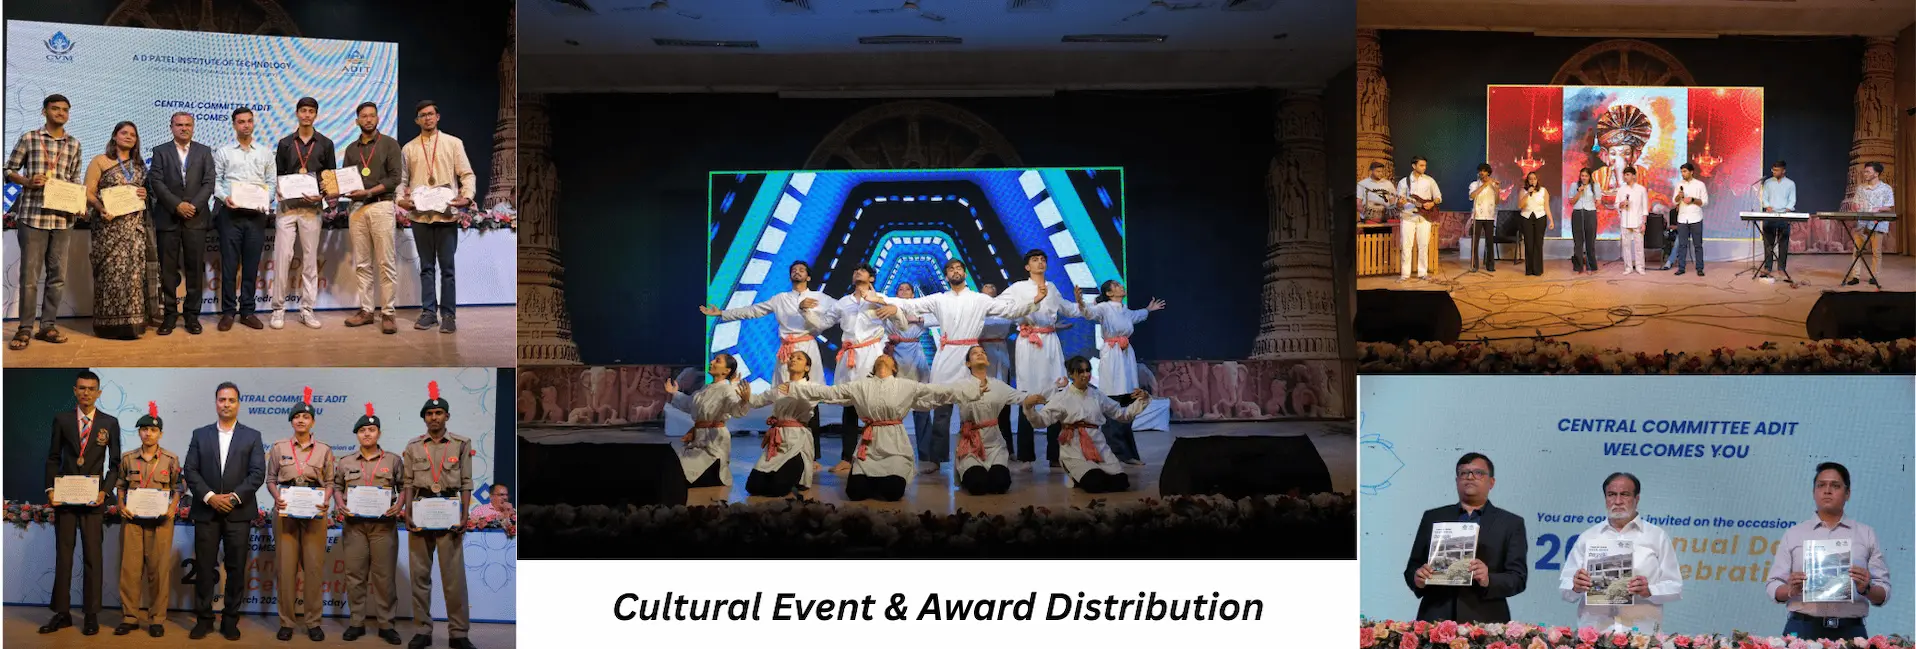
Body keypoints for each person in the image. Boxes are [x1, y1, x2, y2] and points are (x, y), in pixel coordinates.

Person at [867, 259, 1042, 475]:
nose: (955, 271)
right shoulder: (940, 299)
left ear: (964, 273)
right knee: (942, 408)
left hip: (970, 357)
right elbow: (912, 304)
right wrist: (882, 299)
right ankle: (936, 459)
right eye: (951, 269)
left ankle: (978, 453)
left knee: (975, 408)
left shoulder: (979, 299)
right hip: (947, 355)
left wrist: (1034, 301)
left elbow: (1008, 310)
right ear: (947, 275)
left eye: (959, 268)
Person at [784, 355, 983, 501]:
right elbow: (828, 393)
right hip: (870, 447)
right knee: (854, 493)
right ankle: (870, 478)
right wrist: (796, 387)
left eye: (887, 357)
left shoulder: (906, 385)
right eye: (879, 357)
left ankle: (885, 478)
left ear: (894, 367)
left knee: (892, 492)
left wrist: (972, 388)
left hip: (894, 446)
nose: (882, 357)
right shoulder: (860, 385)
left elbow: (939, 391)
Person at [1765, 462, 1891, 640]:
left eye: (1835, 485)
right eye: (1821, 485)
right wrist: (1790, 590)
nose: (1827, 490)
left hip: (1851, 632)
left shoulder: (1866, 534)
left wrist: (1866, 588)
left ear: (1847, 493)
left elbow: (1883, 593)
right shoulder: (1793, 534)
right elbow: (1773, 585)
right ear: (1814, 492)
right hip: (1802, 628)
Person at [1403, 452, 1529, 623]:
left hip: (1487, 622)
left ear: (1491, 482)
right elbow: (1412, 567)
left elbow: (1518, 578)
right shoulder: (1433, 517)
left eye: (1478, 473)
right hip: (1434, 619)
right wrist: (1418, 578)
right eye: (1464, 473)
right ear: (1457, 481)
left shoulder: (1511, 523)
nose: (1470, 477)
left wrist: (1488, 579)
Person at [40, 370, 120, 636]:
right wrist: (51, 488)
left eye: (91, 388)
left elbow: (115, 465)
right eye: (82, 388)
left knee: (92, 557)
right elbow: (53, 457)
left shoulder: (110, 423)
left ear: (99, 392)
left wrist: (105, 492)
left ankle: (91, 614)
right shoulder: (62, 420)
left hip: (93, 499)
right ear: (75, 391)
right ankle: (62, 613)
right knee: (63, 556)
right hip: (66, 497)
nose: (86, 393)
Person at [183, 381, 265, 641]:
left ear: (238, 404)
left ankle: (230, 620)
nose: (226, 404)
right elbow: (190, 470)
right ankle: (204, 620)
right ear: (216, 403)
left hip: (238, 513)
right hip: (206, 512)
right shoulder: (200, 434)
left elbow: (257, 473)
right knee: (204, 567)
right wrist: (209, 497)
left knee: (236, 568)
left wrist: (233, 498)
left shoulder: (252, 436)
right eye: (222, 400)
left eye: (231, 400)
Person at [801, 263, 902, 472]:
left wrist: (884, 303)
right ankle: (847, 458)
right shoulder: (843, 302)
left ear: (871, 278)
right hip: (850, 356)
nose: (857, 273)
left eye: (862, 271)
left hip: (872, 355)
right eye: (855, 271)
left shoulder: (880, 298)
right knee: (849, 407)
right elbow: (822, 323)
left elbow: (901, 324)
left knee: (874, 405)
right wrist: (805, 311)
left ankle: (878, 456)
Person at [404, 382, 478, 649]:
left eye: (438, 413)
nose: (433, 417)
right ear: (424, 418)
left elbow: (466, 482)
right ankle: (422, 630)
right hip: (421, 511)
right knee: (419, 576)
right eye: (429, 413)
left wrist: (464, 514)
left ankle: (458, 633)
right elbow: (408, 483)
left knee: (453, 578)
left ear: (447, 416)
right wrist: (407, 512)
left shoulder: (461, 443)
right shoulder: (413, 446)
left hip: (449, 513)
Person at [7, 95, 84, 350]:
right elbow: (8, 170)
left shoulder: (74, 144)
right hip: (33, 216)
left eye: (65, 110)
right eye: (55, 108)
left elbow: (75, 179)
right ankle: (24, 329)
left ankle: (48, 326)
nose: (61, 113)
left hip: (63, 219)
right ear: (44, 112)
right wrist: (27, 181)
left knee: (57, 277)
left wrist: (79, 202)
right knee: (29, 278)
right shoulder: (30, 138)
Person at [1559, 472, 1682, 633]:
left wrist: (1649, 591)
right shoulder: (1588, 537)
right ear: (1605, 498)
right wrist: (1576, 586)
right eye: (1611, 494)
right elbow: (1565, 590)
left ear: (1637, 499)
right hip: (1595, 635)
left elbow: (1675, 586)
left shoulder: (1657, 536)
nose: (1617, 501)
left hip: (1641, 635)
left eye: (1625, 494)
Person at [395, 100, 476, 334]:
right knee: (426, 267)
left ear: (438, 117)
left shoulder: (453, 143)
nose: (427, 118)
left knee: (447, 268)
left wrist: (467, 197)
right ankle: (429, 313)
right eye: (423, 115)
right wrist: (400, 199)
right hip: (420, 216)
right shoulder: (409, 148)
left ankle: (448, 315)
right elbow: (401, 180)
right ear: (417, 120)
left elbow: (467, 175)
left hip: (446, 215)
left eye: (431, 114)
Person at [1002, 249, 1082, 470]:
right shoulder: (1018, 288)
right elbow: (1000, 307)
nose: (1040, 263)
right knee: (1028, 395)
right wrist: (1031, 304)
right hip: (1028, 343)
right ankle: (1026, 456)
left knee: (1055, 395)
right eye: (1035, 260)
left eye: (1043, 260)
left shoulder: (1052, 288)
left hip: (1050, 343)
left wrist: (1081, 303)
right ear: (1027, 266)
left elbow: (1069, 309)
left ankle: (1055, 455)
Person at [334, 403, 407, 644]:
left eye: (372, 430)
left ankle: (386, 624)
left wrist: (400, 505)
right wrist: (339, 503)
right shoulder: (346, 462)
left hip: (383, 527)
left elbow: (404, 487)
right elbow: (336, 486)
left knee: (384, 577)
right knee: (355, 576)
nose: (367, 434)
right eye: (362, 430)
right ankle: (357, 622)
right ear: (357, 434)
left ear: (379, 433)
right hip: (354, 527)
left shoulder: (393, 460)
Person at [1021, 356, 1147, 493]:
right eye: (1080, 371)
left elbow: (1121, 414)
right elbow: (1041, 421)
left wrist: (1142, 400)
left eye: (1088, 370)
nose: (1086, 375)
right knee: (1095, 482)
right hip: (1074, 448)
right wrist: (1029, 407)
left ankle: (1093, 475)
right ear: (1071, 374)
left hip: (1098, 445)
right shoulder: (1062, 398)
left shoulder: (1097, 395)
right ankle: (1079, 475)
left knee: (1122, 482)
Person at [268, 388, 335, 641]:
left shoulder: (324, 450)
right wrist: (277, 497)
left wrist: (326, 500)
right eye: (296, 417)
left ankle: (313, 622)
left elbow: (330, 482)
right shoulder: (279, 447)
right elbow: (270, 479)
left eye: (305, 417)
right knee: (286, 570)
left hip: (315, 514)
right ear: (291, 421)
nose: (300, 420)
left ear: (312, 422)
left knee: (314, 570)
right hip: (286, 513)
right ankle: (286, 622)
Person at [917, 346, 1030, 495]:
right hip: (971, 445)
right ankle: (970, 470)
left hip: (994, 444)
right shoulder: (961, 385)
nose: (980, 354)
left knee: (1000, 483)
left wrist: (1044, 396)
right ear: (968, 364)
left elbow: (1022, 397)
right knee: (977, 484)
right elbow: (940, 394)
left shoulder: (998, 385)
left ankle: (995, 469)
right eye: (975, 353)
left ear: (988, 361)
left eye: (983, 352)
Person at [699, 260, 833, 385]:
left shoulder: (819, 297)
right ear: (790, 277)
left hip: (808, 346)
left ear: (808, 277)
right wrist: (722, 313)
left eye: (801, 270)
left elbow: (840, 310)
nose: (797, 272)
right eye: (794, 270)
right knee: (783, 388)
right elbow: (753, 311)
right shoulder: (780, 298)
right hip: (787, 349)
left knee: (812, 386)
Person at [1079, 280, 1165, 465]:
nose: (1121, 287)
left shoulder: (1124, 310)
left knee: (1128, 400)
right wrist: (1081, 304)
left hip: (1126, 355)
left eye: (1120, 285)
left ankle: (1128, 452)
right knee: (1114, 399)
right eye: (1116, 286)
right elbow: (1089, 313)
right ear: (1109, 293)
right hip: (1112, 354)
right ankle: (1115, 452)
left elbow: (1137, 315)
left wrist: (1148, 309)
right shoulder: (1104, 308)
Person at [113, 402, 180, 638]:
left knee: (158, 571)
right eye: (143, 429)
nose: (148, 433)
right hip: (133, 521)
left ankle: (156, 619)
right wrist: (121, 505)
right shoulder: (128, 458)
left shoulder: (171, 459)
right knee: (130, 571)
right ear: (139, 432)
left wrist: (172, 507)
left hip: (160, 523)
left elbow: (178, 487)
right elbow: (120, 485)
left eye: (152, 430)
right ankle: (130, 617)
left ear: (160, 433)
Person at [81, 121, 153, 339]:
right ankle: (107, 326)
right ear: (114, 136)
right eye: (124, 133)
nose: (129, 137)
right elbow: (88, 192)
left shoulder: (139, 165)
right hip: (108, 227)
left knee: (133, 276)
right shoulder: (100, 161)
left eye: (133, 134)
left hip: (134, 228)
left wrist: (144, 194)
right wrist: (101, 208)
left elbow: (145, 193)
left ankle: (134, 324)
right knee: (110, 275)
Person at [270, 97, 335, 330]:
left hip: (312, 209)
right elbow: (278, 175)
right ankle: (278, 309)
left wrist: (322, 195)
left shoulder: (326, 143)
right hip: (287, 209)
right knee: (283, 258)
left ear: (316, 115)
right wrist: (279, 190)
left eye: (311, 111)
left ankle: (307, 310)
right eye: (303, 111)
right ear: (297, 113)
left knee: (309, 260)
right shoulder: (285, 143)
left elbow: (330, 178)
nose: (307, 115)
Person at [147, 111, 214, 335]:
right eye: (179, 125)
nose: (184, 128)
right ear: (171, 127)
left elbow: (209, 182)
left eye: (188, 125)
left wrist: (192, 206)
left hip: (196, 218)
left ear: (193, 127)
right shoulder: (160, 151)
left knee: (195, 269)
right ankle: (169, 315)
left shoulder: (204, 151)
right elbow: (156, 181)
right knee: (168, 271)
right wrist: (177, 205)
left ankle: (192, 315)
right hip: (168, 217)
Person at [213, 106, 274, 331]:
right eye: (241, 122)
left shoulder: (265, 152)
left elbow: (272, 182)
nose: (246, 125)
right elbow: (216, 181)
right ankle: (228, 312)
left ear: (253, 123)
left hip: (256, 216)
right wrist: (224, 197)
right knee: (229, 266)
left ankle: (248, 311)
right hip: (230, 214)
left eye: (249, 121)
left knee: (251, 266)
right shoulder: (224, 152)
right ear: (234, 125)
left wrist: (266, 199)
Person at [743, 352, 833, 496]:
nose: (793, 360)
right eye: (791, 358)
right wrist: (747, 396)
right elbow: (757, 401)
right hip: (778, 440)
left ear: (807, 368)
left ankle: (796, 474)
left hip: (797, 439)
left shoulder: (811, 388)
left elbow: (833, 394)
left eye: (799, 358)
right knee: (753, 486)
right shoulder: (780, 389)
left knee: (777, 488)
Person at [664, 354, 753, 487]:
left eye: (717, 361)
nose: (711, 362)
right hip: (698, 440)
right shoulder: (705, 388)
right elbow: (690, 403)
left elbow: (735, 408)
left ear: (726, 371)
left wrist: (744, 401)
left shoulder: (727, 390)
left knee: (683, 471)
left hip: (713, 442)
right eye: (713, 359)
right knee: (673, 464)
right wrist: (674, 393)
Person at [882, 282, 937, 470]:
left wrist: (917, 319)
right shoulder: (889, 310)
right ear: (896, 294)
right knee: (893, 408)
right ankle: (892, 452)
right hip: (895, 358)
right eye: (901, 289)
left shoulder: (922, 310)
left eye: (908, 289)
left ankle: (926, 455)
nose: (904, 292)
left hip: (916, 356)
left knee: (921, 407)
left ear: (913, 294)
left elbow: (938, 319)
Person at [1841, 161, 1895, 287]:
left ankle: (1874, 276)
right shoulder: (1861, 188)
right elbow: (1855, 204)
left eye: (1868, 172)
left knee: (1876, 251)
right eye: (1864, 171)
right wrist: (1855, 206)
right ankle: (1855, 276)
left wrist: (1878, 208)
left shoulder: (1886, 188)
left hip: (1877, 223)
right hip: (1862, 222)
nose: (1865, 174)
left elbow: (1889, 206)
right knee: (1857, 250)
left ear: (1876, 174)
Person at [1395, 156, 1442, 281]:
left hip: (1425, 217)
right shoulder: (1404, 182)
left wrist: (1432, 203)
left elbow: (1438, 197)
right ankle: (1405, 275)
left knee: (1423, 245)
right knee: (1406, 246)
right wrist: (1400, 202)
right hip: (1408, 216)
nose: (1424, 168)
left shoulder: (1429, 180)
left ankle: (1423, 273)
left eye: (1425, 165)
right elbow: (1398, 203)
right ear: (1413, 166)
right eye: (1421, 165)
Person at [1758, 160, 1797, 280]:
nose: (1774, 172)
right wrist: (1767, 206)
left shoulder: (1790, 184)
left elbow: (1792, 200)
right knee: (1768, 243)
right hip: (1770, 215)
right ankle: (1768, 267)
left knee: (1783, 243)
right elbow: (1764, 198)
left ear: (1783, 171)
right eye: (1773, 170)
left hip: (1784, 216)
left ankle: (1781, 268)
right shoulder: (1768, 182)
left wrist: (1788, 209)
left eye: (1777, 170)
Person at [1670, 162, 1709, 277]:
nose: (1683, 174)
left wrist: (1692, 200)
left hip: (1696, 218)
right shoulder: (1679, 185)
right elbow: (1674, 201)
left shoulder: (1700, 185)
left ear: (1691, 172)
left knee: (1698, 245)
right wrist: (1679, 196)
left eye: (1685, 171)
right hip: (1682, 218)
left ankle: (1699, 268)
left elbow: (1705, 202)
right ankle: (1681, 268)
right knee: (1682, 245)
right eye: (1681, 172)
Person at [1466, 163, 1500, 273]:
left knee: (1490, 241)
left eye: (1484, 171)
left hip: (1489, 216)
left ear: (1488, 173)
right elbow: (1472, 196)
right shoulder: (1474, 184)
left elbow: (1497, 201)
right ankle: (1474, 265)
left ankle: (1490, 265)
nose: (1482, 173)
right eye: (1480, 171)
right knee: (1475, 242)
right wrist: (1485, 185)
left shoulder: (1493, 185)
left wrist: (1497, 189)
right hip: (1477, 216)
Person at [979, 282, 1014, 383]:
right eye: (986, 286)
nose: (990, 287)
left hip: (1001, 345)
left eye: (992, 286)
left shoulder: (1003, 305)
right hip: (983, 346)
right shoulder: (977, 306)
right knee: (987, 373)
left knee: (1003, 370)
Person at [1617, 168, 1650, 275]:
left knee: (1639, 245)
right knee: (1626, 246)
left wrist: (1644, 222)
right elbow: (1616, 204)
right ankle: (1628, 267)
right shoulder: (1621, 189)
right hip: (1625, 221)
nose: (1625, 177)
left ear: (1634, 176)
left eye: (1627, 174)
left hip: (1638, 221)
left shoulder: (1641, 189)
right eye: (1624, 175)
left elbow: (1645, 208)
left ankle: (1640, 267)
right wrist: (1621, 204)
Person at [1517, 172, 1550, 276]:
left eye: (1534, 179)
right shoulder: (1523, 191)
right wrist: (1528, 193)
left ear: (1537, 180)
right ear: (1527, 180)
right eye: (1530, 179)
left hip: (1540, 217)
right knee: (1529, 243)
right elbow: (1520, 206)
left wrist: (1551, 220)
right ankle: (1529, 269)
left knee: (1538, 244)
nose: (1532, 181)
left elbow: (1546, 206)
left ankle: (1537, 269)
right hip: (1526, 218)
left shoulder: (1543, 191)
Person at [1568, 167, 1599, 274]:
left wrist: (1592, 206)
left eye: (1586, 176)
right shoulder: (1574, 186)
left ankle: (1591, 267)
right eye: (1582, 176)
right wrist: (1579, 192)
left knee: (1590, 241)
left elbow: (1598, 201)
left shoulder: (1595, 186)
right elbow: (1571, 201)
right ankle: (1578, 267)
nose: (1584, 178)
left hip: (1590, 213)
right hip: (1577, 213)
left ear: (1589, 177)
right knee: (1578, 242)